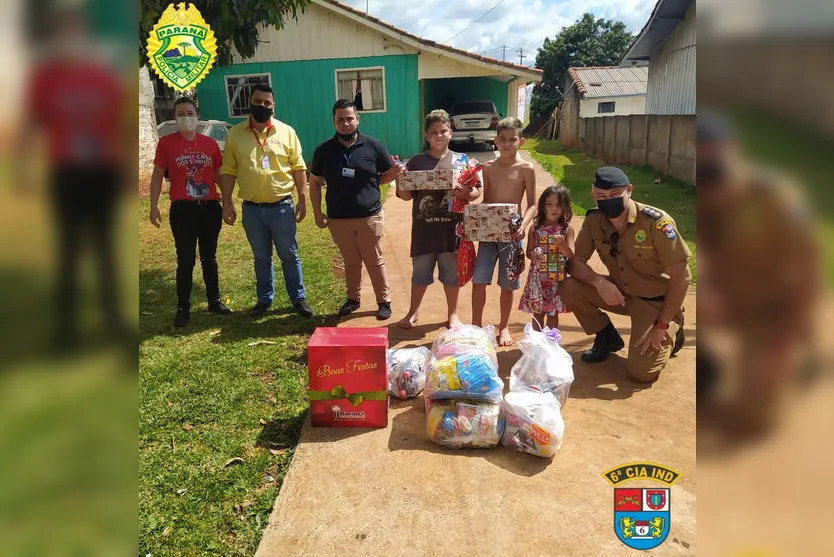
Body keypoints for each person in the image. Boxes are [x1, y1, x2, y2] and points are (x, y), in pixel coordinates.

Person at [696, 111, 820, 434]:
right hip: (733, 299)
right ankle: (707, 366)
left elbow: (808, 270)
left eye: (714, 165)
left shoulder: (776, 197)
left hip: (775, 308)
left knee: (754, 420)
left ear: (732, 150)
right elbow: (708, 258)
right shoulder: (706, 198)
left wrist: (787, 337)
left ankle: (799, 357)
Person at [561, 166, 690, 383]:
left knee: (641, 374)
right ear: (593, 194)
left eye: (614, 195)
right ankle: (606, 336)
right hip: (621, 294)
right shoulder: (595, 220)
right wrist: (599, 282)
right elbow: (575, 263)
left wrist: (661, 325)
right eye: (601, 196)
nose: (607, 200)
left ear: (629, 190)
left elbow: (682, 276)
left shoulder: (656, 223)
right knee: (567, 286)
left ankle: (673, 327)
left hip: (655, 303)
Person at [218, 84, 314, 318]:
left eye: (267, 103)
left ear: (273, 106)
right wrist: (227, 202)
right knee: (261, 257)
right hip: (252, 210)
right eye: (257, 101)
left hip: (282, 207)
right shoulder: (235, 135)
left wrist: (302, 199)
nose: (262, 106)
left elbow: (299, 167)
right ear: (249, 103)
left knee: (290, 255)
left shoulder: (287, 132)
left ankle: (298, 299)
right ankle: (264, 300)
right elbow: (228, 170)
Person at [309, 99, 404, 320]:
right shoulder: (324, 150)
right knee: (350, 261)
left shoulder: (373, 146)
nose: (345, 123)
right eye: (340, 119)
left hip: (369, 217)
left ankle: (383, 301)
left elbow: (386, 175)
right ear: (333, 122)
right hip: (338, 219)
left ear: (357, 119)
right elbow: (314, 182)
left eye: (349, 118)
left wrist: (390, 174)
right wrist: (317, 212)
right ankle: (353, 299)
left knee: (374, 259)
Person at [149, 97, 231, 327]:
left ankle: (214, 301)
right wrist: (153, 205)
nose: (186, 117)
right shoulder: (166, 143)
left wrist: (228, 202)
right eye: (181, 113)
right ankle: (183, 307)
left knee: (209, 258)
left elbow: (220, 174)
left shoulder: (210, 144)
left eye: (190, 112)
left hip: (209, 208)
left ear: (197, 115)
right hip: (183, 209)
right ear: (175, 117)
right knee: (185, 259)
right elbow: (157, 176)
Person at [395, 109, 481, 329]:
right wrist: (400, 179)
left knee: (451, 276)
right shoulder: (415, 162)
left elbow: (476, 192)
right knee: (420, 275)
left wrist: (466, 193)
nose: (439, 136)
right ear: (426, 135)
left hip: (452, 232)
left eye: (443, 131)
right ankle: (413, 312)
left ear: (451, 133)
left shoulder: (463, 161)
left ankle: (453, 315)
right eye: (433, 132)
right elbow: (405, 196)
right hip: (424, 231)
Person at [471, 117, 537, 346]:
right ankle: (476, 325)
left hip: (513, 234)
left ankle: (505, 327)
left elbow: (532, 204)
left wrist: (524, 225)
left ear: (521, 141)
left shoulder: (526, 168)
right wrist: (473, 216)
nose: (507, 144)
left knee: (507, 283)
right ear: (495, 141)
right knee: (479, 279)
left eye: (512, 140)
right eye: (502, 139)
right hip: (489, 232)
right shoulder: (488, 168)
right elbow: (487, 200)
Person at [518, 184, 575, 331]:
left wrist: (562, 245)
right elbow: (529, 252)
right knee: (537, 314)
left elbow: (570, 254)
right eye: (549, 204)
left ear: (565, 207)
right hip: (537, 280)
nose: (553, 209)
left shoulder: (567, 230)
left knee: (553, 315)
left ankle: (551, 345)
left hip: (556, 281)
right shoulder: (535, 228)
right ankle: (538, 346)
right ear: (543, 206)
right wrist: (534, 254)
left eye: (558, 205)